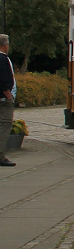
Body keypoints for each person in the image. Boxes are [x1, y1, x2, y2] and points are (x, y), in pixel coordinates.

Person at [0, 34, 16, 166]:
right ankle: (0, 156)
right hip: (3, 99)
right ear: (5, 45)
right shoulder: (2, 59)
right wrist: (8, 95)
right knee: (5, 125)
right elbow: (4, 79)